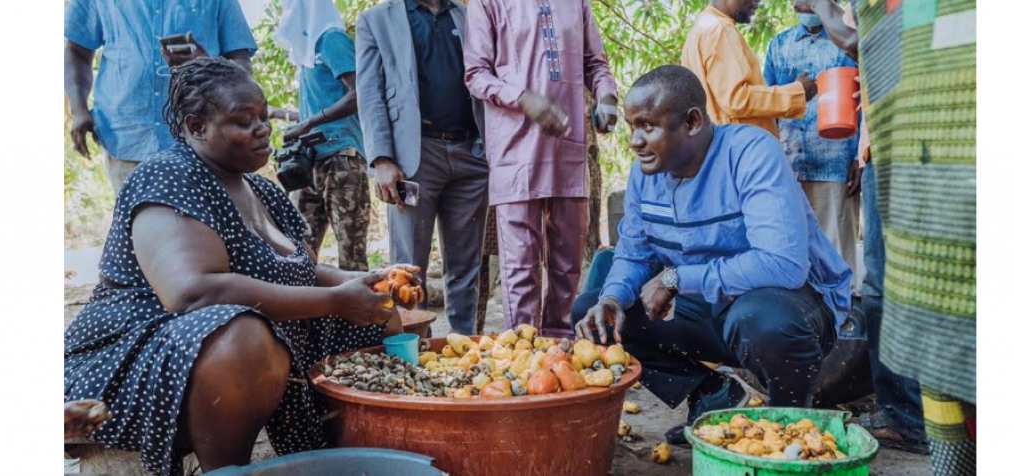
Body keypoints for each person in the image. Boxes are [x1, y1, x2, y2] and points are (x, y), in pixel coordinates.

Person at [64, 58, 417, 476]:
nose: (262, 128)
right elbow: (192, 292)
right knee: (244, 335)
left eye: (263, 116)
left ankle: (363, 452)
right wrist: (333, 301)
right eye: (243, 120)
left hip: (241, 341)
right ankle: (226, 470)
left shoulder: (262, 190)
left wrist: (369, 282)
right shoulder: (168, 177)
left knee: (383, 314)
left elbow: (300, 271)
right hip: (137, 354)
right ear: (197, 127)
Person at [572, 65, 851, 444]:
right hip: (707, 307)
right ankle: (712, 396)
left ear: (691, 122)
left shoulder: (750, 153)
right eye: (631, 127)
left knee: (762, 319)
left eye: (647, 126)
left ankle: (787, 425)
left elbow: (784, 265)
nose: (635, 141)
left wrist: (676, 278)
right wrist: (611, 298)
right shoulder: (644, 175)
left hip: (790, 309)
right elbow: (635, 255)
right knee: (595, 315)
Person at [794, 0, 928, 454]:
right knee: (887, 282)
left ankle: (909, 418)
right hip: (887, 142)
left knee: (887, 285)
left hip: (902, 145)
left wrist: (821, 4)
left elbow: (862, 43)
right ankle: (911, 409)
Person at [852, 0, 976, 473]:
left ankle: (908, 418)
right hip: (899, 149)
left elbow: (878, 44)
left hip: (930, 150)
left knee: (909, 296)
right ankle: (915, 418)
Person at [464, 0, 619, 338]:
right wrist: (523, 98)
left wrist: (607, 96)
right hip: (515, 151)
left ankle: (560, 358)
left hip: (569, 148)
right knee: (520, 272)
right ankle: (522, 363)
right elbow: (476, 74)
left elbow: (596, 63)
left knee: (567, 269)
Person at [356, 0, 489, 335]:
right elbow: (369, 93)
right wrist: (381, 158)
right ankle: (413, 351)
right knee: (407, 267)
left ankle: (464, 349)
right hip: (412, 159)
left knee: (466, 266)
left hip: (471, 153)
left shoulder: (468, 14)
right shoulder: (376, 20)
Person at [63, 0, 257, 194]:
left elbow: (240, 59)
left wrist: (209, 66)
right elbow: (76, 52)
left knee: (204, 222)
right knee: (138, 221)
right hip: (127, 137)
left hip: (203, 140)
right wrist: (79, 110)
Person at [763, 7, 861, 293]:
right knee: (796, 255)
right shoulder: (779, 44)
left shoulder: (848, 42)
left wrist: (858, 157)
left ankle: (845, 323)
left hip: (837, 165)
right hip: (790, 167)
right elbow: (766, 107)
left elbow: (864, 100)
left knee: (839, 256)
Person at [275, 0, 371, 271]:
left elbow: (359, 94)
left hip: (342, 158)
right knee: (298, 249)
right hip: (309, 162)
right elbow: (319, 106)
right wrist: (281, 115)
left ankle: (357, 314)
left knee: (351, 255)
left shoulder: (331, 40)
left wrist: (308, 124)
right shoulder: (307, 51)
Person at [681, 0, 817, 137]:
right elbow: (737, 100)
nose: (758, 3)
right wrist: (796, 93)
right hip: (741, 148)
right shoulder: (720, 29)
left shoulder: (701, 27)